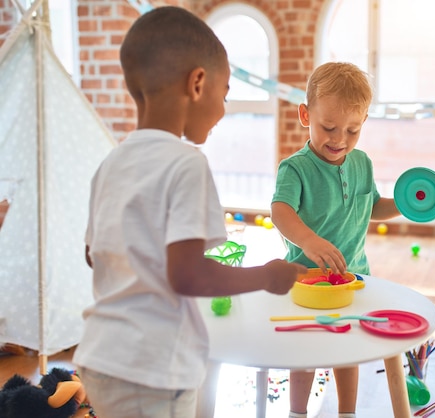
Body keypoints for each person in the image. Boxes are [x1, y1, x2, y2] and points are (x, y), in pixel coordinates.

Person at [72, 6, 306, 418]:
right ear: (198, 83)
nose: (223, 109)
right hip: (152, 368)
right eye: (226, 93)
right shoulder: (186, 163)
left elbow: (94, 254)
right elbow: (187, 275)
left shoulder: (111, 162)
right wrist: (266, 276)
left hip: (100, 357)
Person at [271, 62, 401, 418]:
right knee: (307, 351)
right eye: (328, 127)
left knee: (347, 350)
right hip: (307, 280)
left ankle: (347, 413)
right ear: (305, 115)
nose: (339, 139)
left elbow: (373, 206)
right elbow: (280, 212)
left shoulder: (362, 164)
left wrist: (404, 203)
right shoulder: (295, 168)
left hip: (353, 276)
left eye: (353, 130)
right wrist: (309, 241)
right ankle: (297, 413)